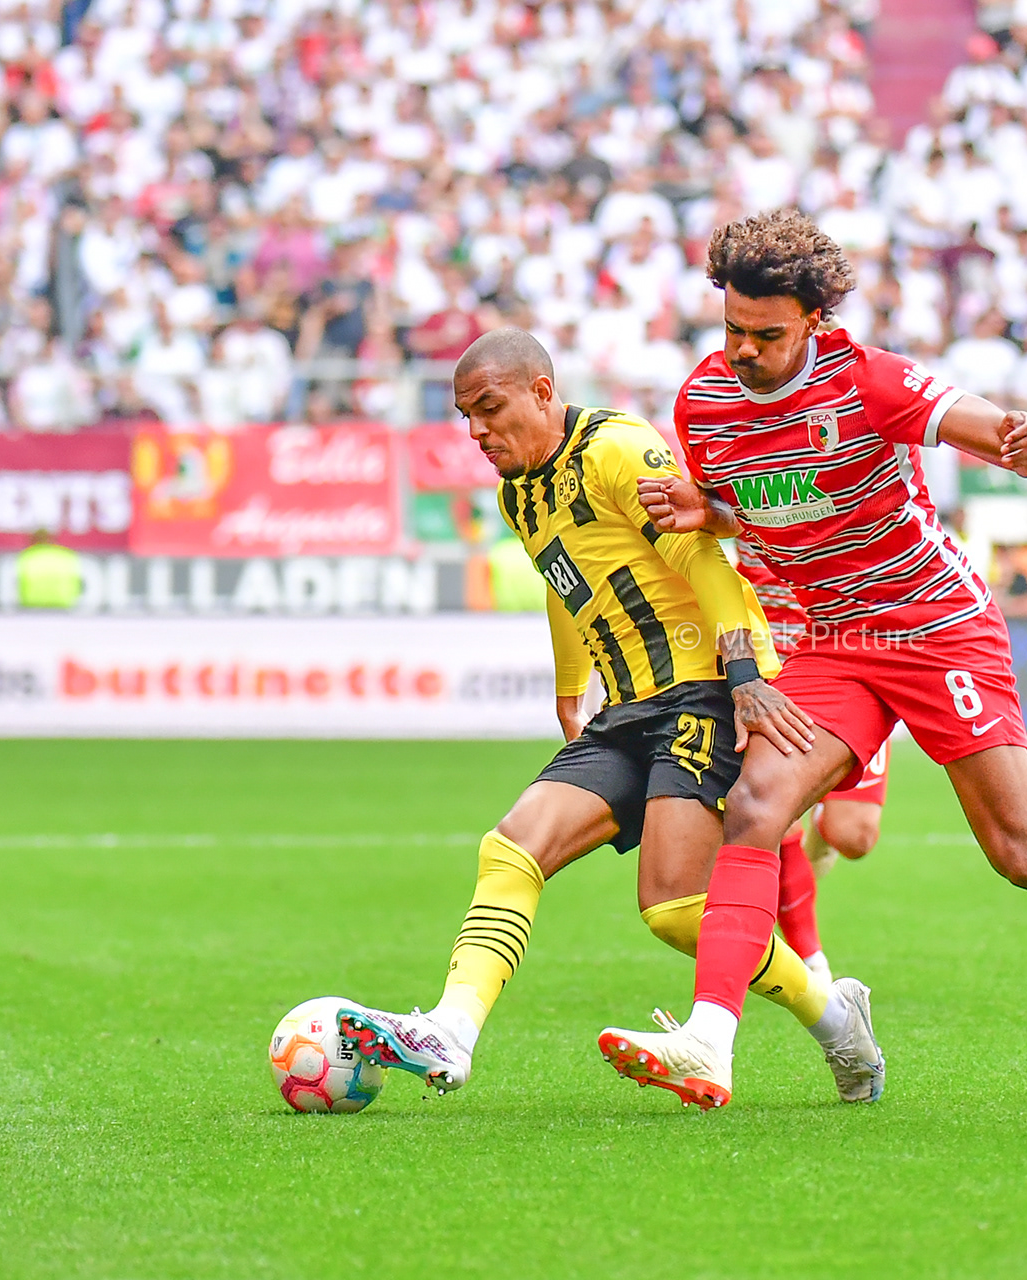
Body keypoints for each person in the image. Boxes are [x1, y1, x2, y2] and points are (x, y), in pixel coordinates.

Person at [601, 209, 1027, 1110]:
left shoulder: (867, 380)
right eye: (733, 329)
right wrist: (705, 512)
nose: (744, 350)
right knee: (757, 806)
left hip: (936, 629)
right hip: (831, 642)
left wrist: (1022, 442)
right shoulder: (702, 401)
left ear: (813, 320)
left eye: (767, 335)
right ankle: (709, 1042)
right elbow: (750, 503)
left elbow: (981, 426)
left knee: (1025, 854)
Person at [329, 329, 886, 1105]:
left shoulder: (618, 448)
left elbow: (704, 560)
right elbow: (565, 579)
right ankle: (451, 1030)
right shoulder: (518, 492)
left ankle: (833, 1017)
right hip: (626, 707)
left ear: (543, 393)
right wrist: (571, 685)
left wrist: (743, 676)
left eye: (490, 408)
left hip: (704, 689)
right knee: (513, 847)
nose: (477, 431)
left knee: (674, 909)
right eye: (465, 417)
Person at [734, 536, 893, 985]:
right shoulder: (738, 494)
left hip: (850, 665)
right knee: (775, 816)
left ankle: (820, 833)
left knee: (855, 836)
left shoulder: (850, 498)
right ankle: (811, 960)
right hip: (771, 674)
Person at [15, 529, 84, 609]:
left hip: (32, 606)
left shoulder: (26, 556)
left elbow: (18, 583)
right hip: (64, 606)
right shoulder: (68, 555)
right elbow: (77, 583)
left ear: (32, 540)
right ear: (53, 539)